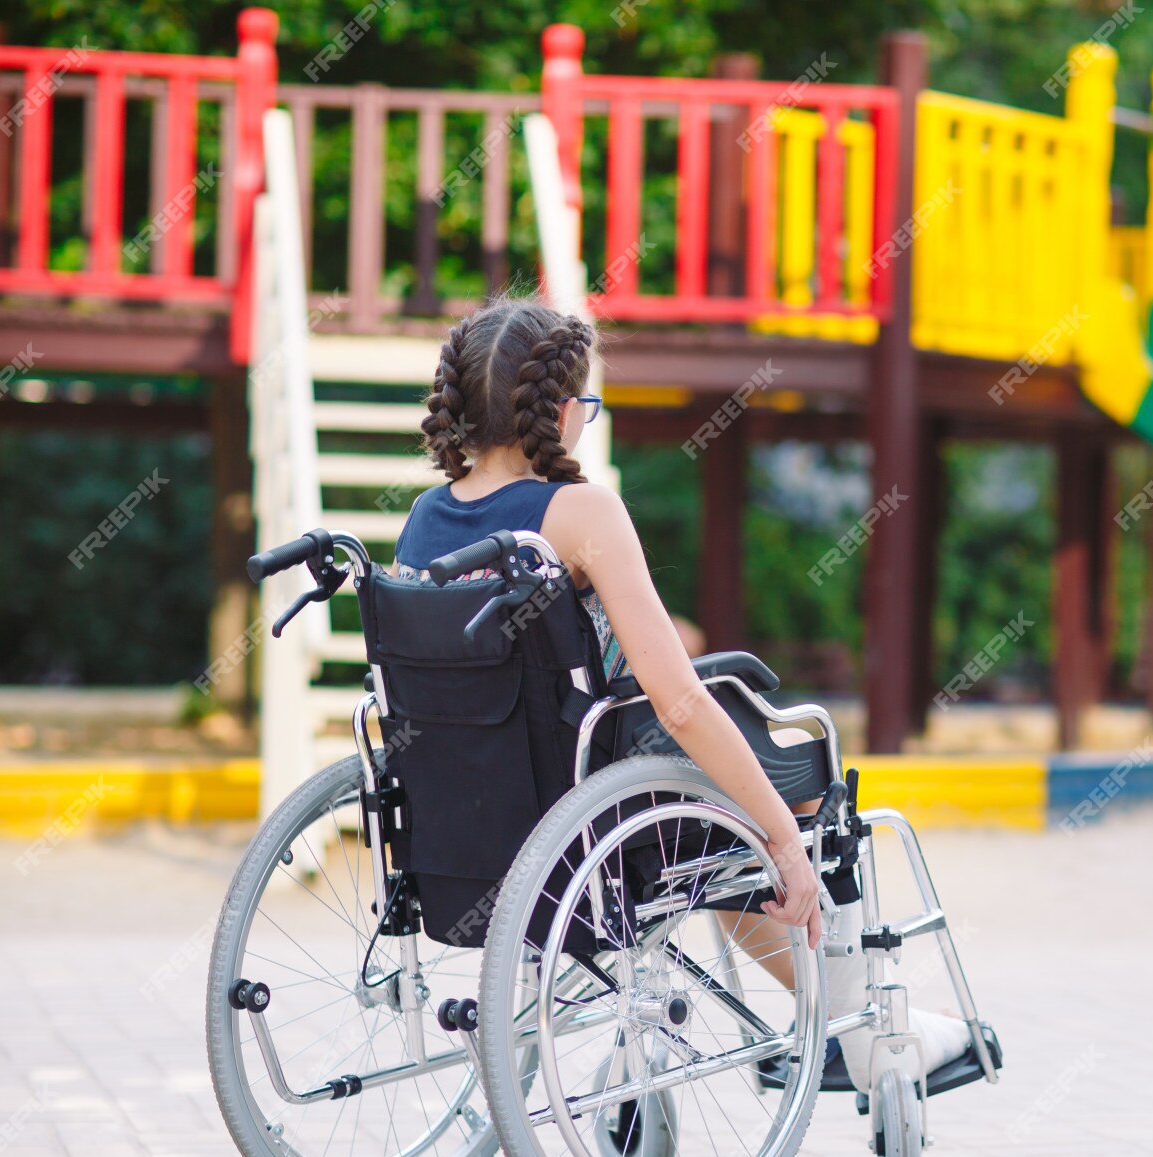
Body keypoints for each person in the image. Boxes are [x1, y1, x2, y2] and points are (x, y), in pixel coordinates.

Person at [392, 299, 974, 1084]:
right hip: (589, 823)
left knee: (710, 809)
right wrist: (778, 835)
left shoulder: (425, 520)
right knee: (775, 796)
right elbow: (680, 701)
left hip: (465, 829)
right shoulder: (579, 511)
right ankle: (868, 1029)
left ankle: (841, 1014)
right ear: (563, 412)